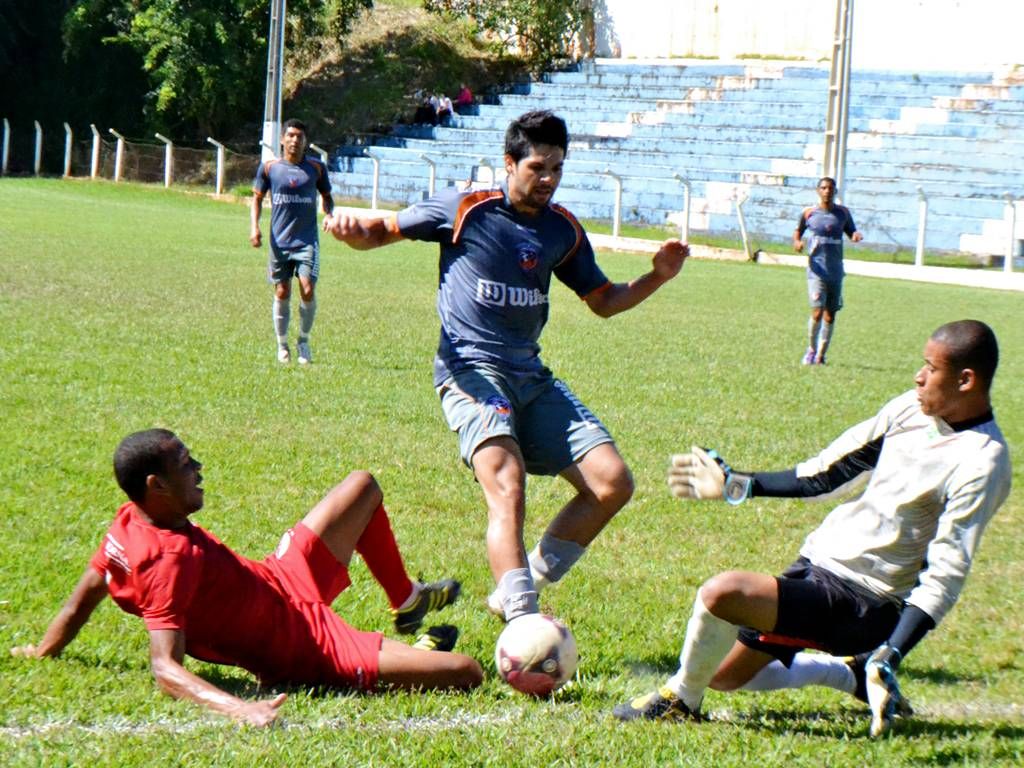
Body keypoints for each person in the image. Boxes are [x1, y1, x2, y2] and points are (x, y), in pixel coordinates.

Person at [323, 110, 688, 625]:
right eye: (538, 167)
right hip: (470, 371)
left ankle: (523, 583)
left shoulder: (562, 230)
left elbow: (603, 300)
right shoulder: (466, 208)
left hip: (529, 378)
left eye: (558, 169)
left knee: (612, 483)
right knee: (507, 481)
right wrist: (350, 229)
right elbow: (380, 230)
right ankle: (523, 622)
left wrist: (657, 277)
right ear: (509, 162)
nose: (548, 179)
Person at [613, 320, 1010, 738]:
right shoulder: (909, 410)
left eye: (931, 368)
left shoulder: (983, 461)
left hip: (864, 601)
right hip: (816, 565)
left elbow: (945, 574)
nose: (919, 376)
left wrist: (893, 651)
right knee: (723, 675)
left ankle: (679, 700)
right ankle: (849, 674)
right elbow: (826, 474)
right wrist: (740, 484)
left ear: (965, 380)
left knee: (722, 593)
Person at [10, 429, 481, 727]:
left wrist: (43, 650)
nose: (198, 469)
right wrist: (241, 708)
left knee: (362, 486)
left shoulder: (130, 521)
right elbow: (165, 668)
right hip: (304, 644)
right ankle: (411, 654)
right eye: (185, 465)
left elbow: (86, 594)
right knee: (465, 672)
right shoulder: (167, 563)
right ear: (156, 487)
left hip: (283, 577)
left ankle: (407, 599)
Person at [250, 118, 335, 365]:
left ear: (305, 141)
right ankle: (282, 345)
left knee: (307, 288)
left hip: (307, 241)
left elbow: (327, 196)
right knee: (282, 290)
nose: (295, 140)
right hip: (279, 241)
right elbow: (256, 198)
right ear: (282, 139)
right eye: (291, 135)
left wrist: (329, 214)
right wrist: (254, 227)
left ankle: (304, 342)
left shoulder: (316, 168)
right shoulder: (270, 168)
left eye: (299, 136)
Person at [792, 176, 863, 366]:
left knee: (830, 314)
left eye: (830, 188)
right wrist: (797, 241)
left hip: (836, 271)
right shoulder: (809, 213)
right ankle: (811, 350)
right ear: (818, 191)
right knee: (816, 311)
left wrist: (855, 235)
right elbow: (798, 231)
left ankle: (821, 355)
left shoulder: (843, 213)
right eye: (823, 188)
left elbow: (851, 231)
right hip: (816, 270)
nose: (827, 191)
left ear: (835, 191)